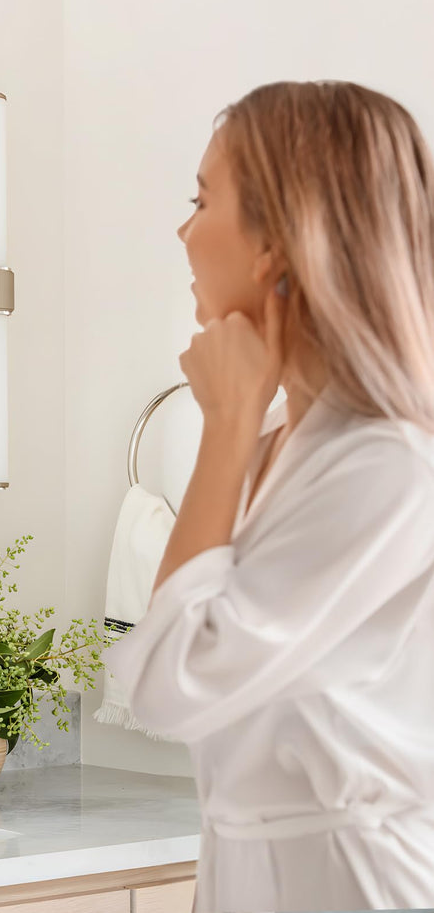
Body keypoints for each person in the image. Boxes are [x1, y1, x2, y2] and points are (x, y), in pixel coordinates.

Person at [104, 81, 434, 912]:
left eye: (202, 199)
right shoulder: (279, 449)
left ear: (277, 245)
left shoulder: (388, 465)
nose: (182, 230)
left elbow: (170, 685)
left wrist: (224, 425)